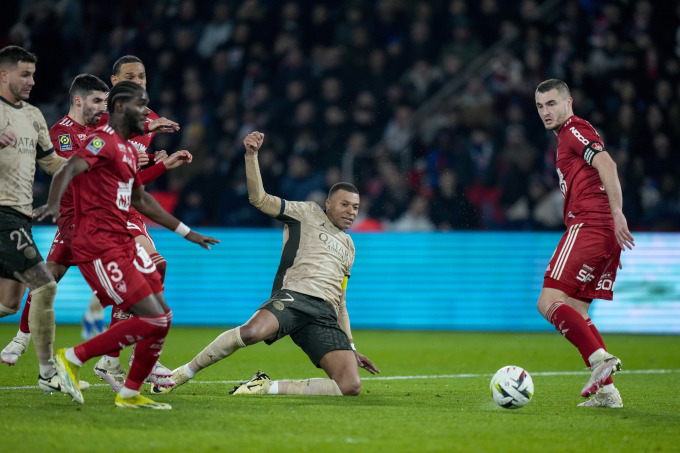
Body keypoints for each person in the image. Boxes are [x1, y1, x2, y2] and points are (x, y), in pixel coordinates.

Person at [34, 81, 219, 409]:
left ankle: (130, 393)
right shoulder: (101, 141)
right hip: (98, 245)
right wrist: (52, 204)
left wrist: (187, 232)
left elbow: (140, 199)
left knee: (163, 316)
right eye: (140, 105)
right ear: (120, 108)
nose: (147, 112)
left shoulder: (124, 149)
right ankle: (73, 357)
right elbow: (68, 169)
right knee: (153, 318)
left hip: (121, 241)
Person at [154, 131, 379, 397]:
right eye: (345, 204)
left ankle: (265, 387)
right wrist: (251, 156)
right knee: (250, 333)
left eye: (355, 207)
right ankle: (180, 374)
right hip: (295, 297)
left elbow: (341, 301)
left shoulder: (350, 246)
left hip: (325, 315)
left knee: (350, 386)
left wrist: (351, 348)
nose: (351, 211)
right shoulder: (305, 213)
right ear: (328, 204)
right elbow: (259, 199)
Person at [534, 79, 635, 408]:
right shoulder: (567, 135)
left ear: (568, 102)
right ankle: (607, 392)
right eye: (540, 106)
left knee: (548, 300)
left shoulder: (573, 130)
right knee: (576, 308)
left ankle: (599, 360)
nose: (545, 112)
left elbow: (607, 163)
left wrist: (617, 213)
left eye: (551, 104)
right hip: (603, 231)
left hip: (590, 224)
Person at [1, 74, 109, 370]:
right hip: (77, 219)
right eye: (98, 101)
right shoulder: (61, 132)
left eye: (106, 102)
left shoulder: (102, 126)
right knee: (122, 283)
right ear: (78, 100)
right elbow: (70, 169)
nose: (103, 108)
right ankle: (115, 358)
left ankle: (20, 340)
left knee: (46, 279)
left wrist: (151, 157)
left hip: (96, 216)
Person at [92, 55, 183, 391]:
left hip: (127, 207)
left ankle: (113, 359)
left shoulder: (152, 117)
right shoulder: (99, 115)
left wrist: (161, 166)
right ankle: (130, 359)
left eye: (143, 76)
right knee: (150, 270)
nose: (139, 81)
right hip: (98, 208)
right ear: (114, 82)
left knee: (152, 274)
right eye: (131, 76)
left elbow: (134, 178)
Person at [0, 45, 75, 394]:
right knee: (45, 285)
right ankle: (48, 373)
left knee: (8, 304)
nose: (32, 80)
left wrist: (96, 163)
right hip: (2, 216)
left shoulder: (32, 115)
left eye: (33, 74)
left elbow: (52, 163)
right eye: (24, 74)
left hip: (20, 216)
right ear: (4, 74)